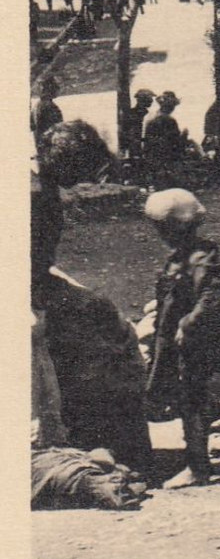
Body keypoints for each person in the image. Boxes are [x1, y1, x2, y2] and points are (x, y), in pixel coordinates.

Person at [33, 122, 152, 471]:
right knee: (102, 339)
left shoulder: (41, 185)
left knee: (102, 314)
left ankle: (113, 441)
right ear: (66, 163)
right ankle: (110, 444)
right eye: (82, 168)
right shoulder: (35, 194)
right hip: (27, 286)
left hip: (37, 279)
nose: (85, 176)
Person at [143, 189, 220, 488]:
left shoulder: (200, 258)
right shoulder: (184, 256)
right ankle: (199, 458)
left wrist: (186, 325)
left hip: (203, 348)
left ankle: (198, 469)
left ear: (174, 227)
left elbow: (215, 299)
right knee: (190, 403)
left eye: (161, 228)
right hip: (188, 347)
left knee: (193, 404)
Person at [143, 92, 189, 186]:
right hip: (166, 156)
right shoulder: (169, 120)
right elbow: (175, 142)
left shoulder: (150, 117)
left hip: (152, 155)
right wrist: (184, 135)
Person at [121, 88, 156, 163]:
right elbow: (130, 133)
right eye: (150, 98)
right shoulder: (133, 114)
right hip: (136, 150)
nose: (152, 101)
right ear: (143, 99)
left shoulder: (146, 113)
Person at [31, 76, 64, 149]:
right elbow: (57, 128)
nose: (58, 89)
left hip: (42, 146)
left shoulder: (37, 105)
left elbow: (32, 126)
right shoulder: (49, 106)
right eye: (56, 87)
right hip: (50, 148)